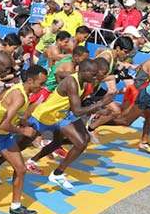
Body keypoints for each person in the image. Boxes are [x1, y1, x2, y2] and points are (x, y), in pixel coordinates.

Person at [26, 59, 109, 190]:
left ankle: (35, 162)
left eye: (100, 73)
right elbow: (77, 110)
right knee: (21, 143)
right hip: (51, 114)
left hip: (64, 113)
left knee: (76, 141)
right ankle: (56, 173)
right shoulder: (73, 81)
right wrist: (100, 104)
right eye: (95, 73)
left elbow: (60, 75)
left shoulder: (87, 80)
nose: (98, 76)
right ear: (85, 71)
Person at [0, 66, 48, 214]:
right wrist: (23, 131)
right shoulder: (20, 96)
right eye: (40, 83)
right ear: (30, 80)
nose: (42, 87)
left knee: (21, 169)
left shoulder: (21, 90)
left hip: (4, 136)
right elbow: (4, 124)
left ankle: (15, 207)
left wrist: (22, 121)